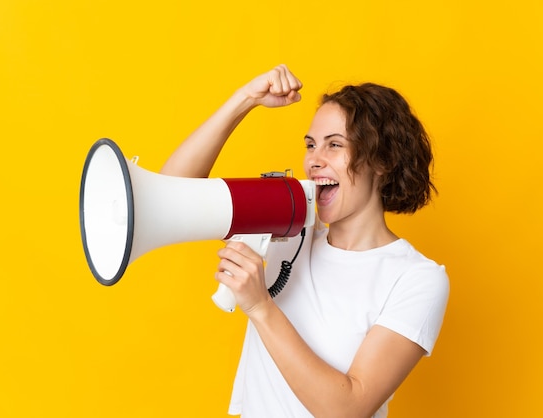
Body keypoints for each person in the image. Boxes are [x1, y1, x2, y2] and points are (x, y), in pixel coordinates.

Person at [161, 64, 449, 418]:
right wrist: (245, 100)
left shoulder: (417, 278)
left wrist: (260, 307)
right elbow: (170, 197)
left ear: (382, 161)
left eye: (335, 145)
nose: (314, 160)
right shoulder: (290, 224)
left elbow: (348, 408)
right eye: (311, 145)